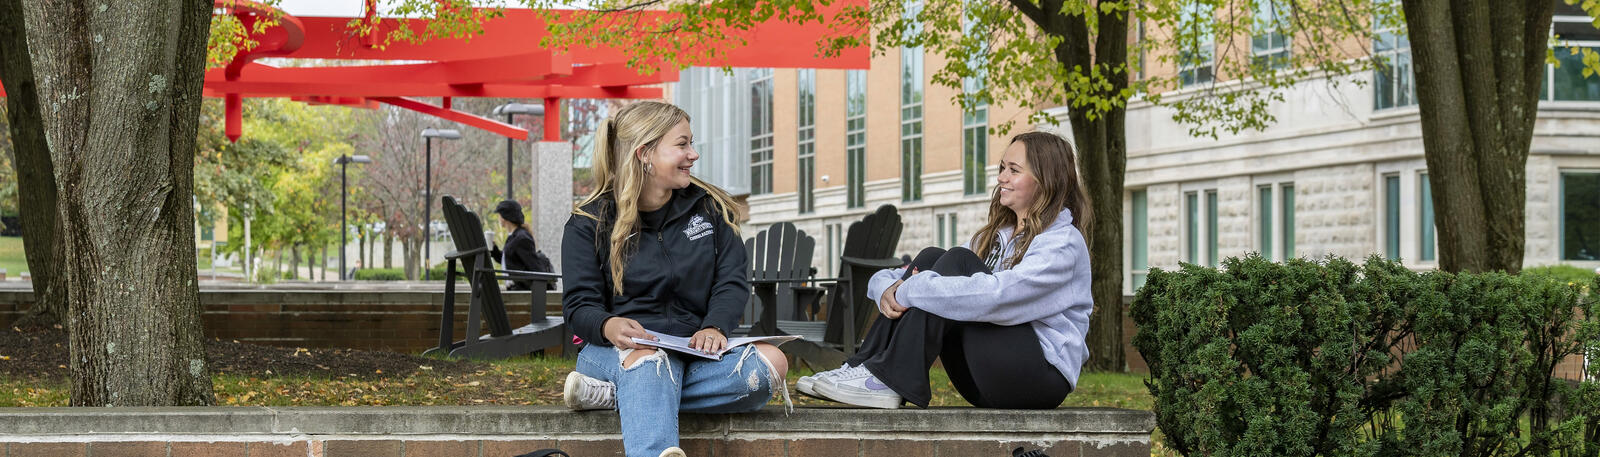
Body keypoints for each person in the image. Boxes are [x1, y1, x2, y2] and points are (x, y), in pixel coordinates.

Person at [797, 131, 1093, 410]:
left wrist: (911, 289)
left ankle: (888, 380)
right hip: (983, 376)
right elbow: (925, 270)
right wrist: (886, 289)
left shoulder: (1062, 243)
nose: (1001, 177)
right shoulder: (996, 235)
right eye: (1002, 167)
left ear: (1046, 180)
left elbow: (999, 298)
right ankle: (866, 366)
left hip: (1037, 377)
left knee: (954, 263)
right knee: (933, 257)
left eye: (1014, 170)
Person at [559, 101, 790, 457]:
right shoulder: (588, 221)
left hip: (692, 350)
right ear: (645, 153)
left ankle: (621, 393)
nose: (693, 154)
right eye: (682, 144)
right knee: (648, 362)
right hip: (618, 350)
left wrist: (715, 326)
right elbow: (578, 306)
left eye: (691, 144)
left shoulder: (710, 209)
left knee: (772, 362)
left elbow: (730, 281)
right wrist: (609, 325)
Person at [490, 199, 554, 290]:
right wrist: (494, 249)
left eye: (499, 215)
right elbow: (510, 261)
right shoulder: (513, 236)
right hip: (515, 289)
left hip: (521, 290)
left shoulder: (522, 238)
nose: (498, 218)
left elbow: (535, 268)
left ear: (504, 217)